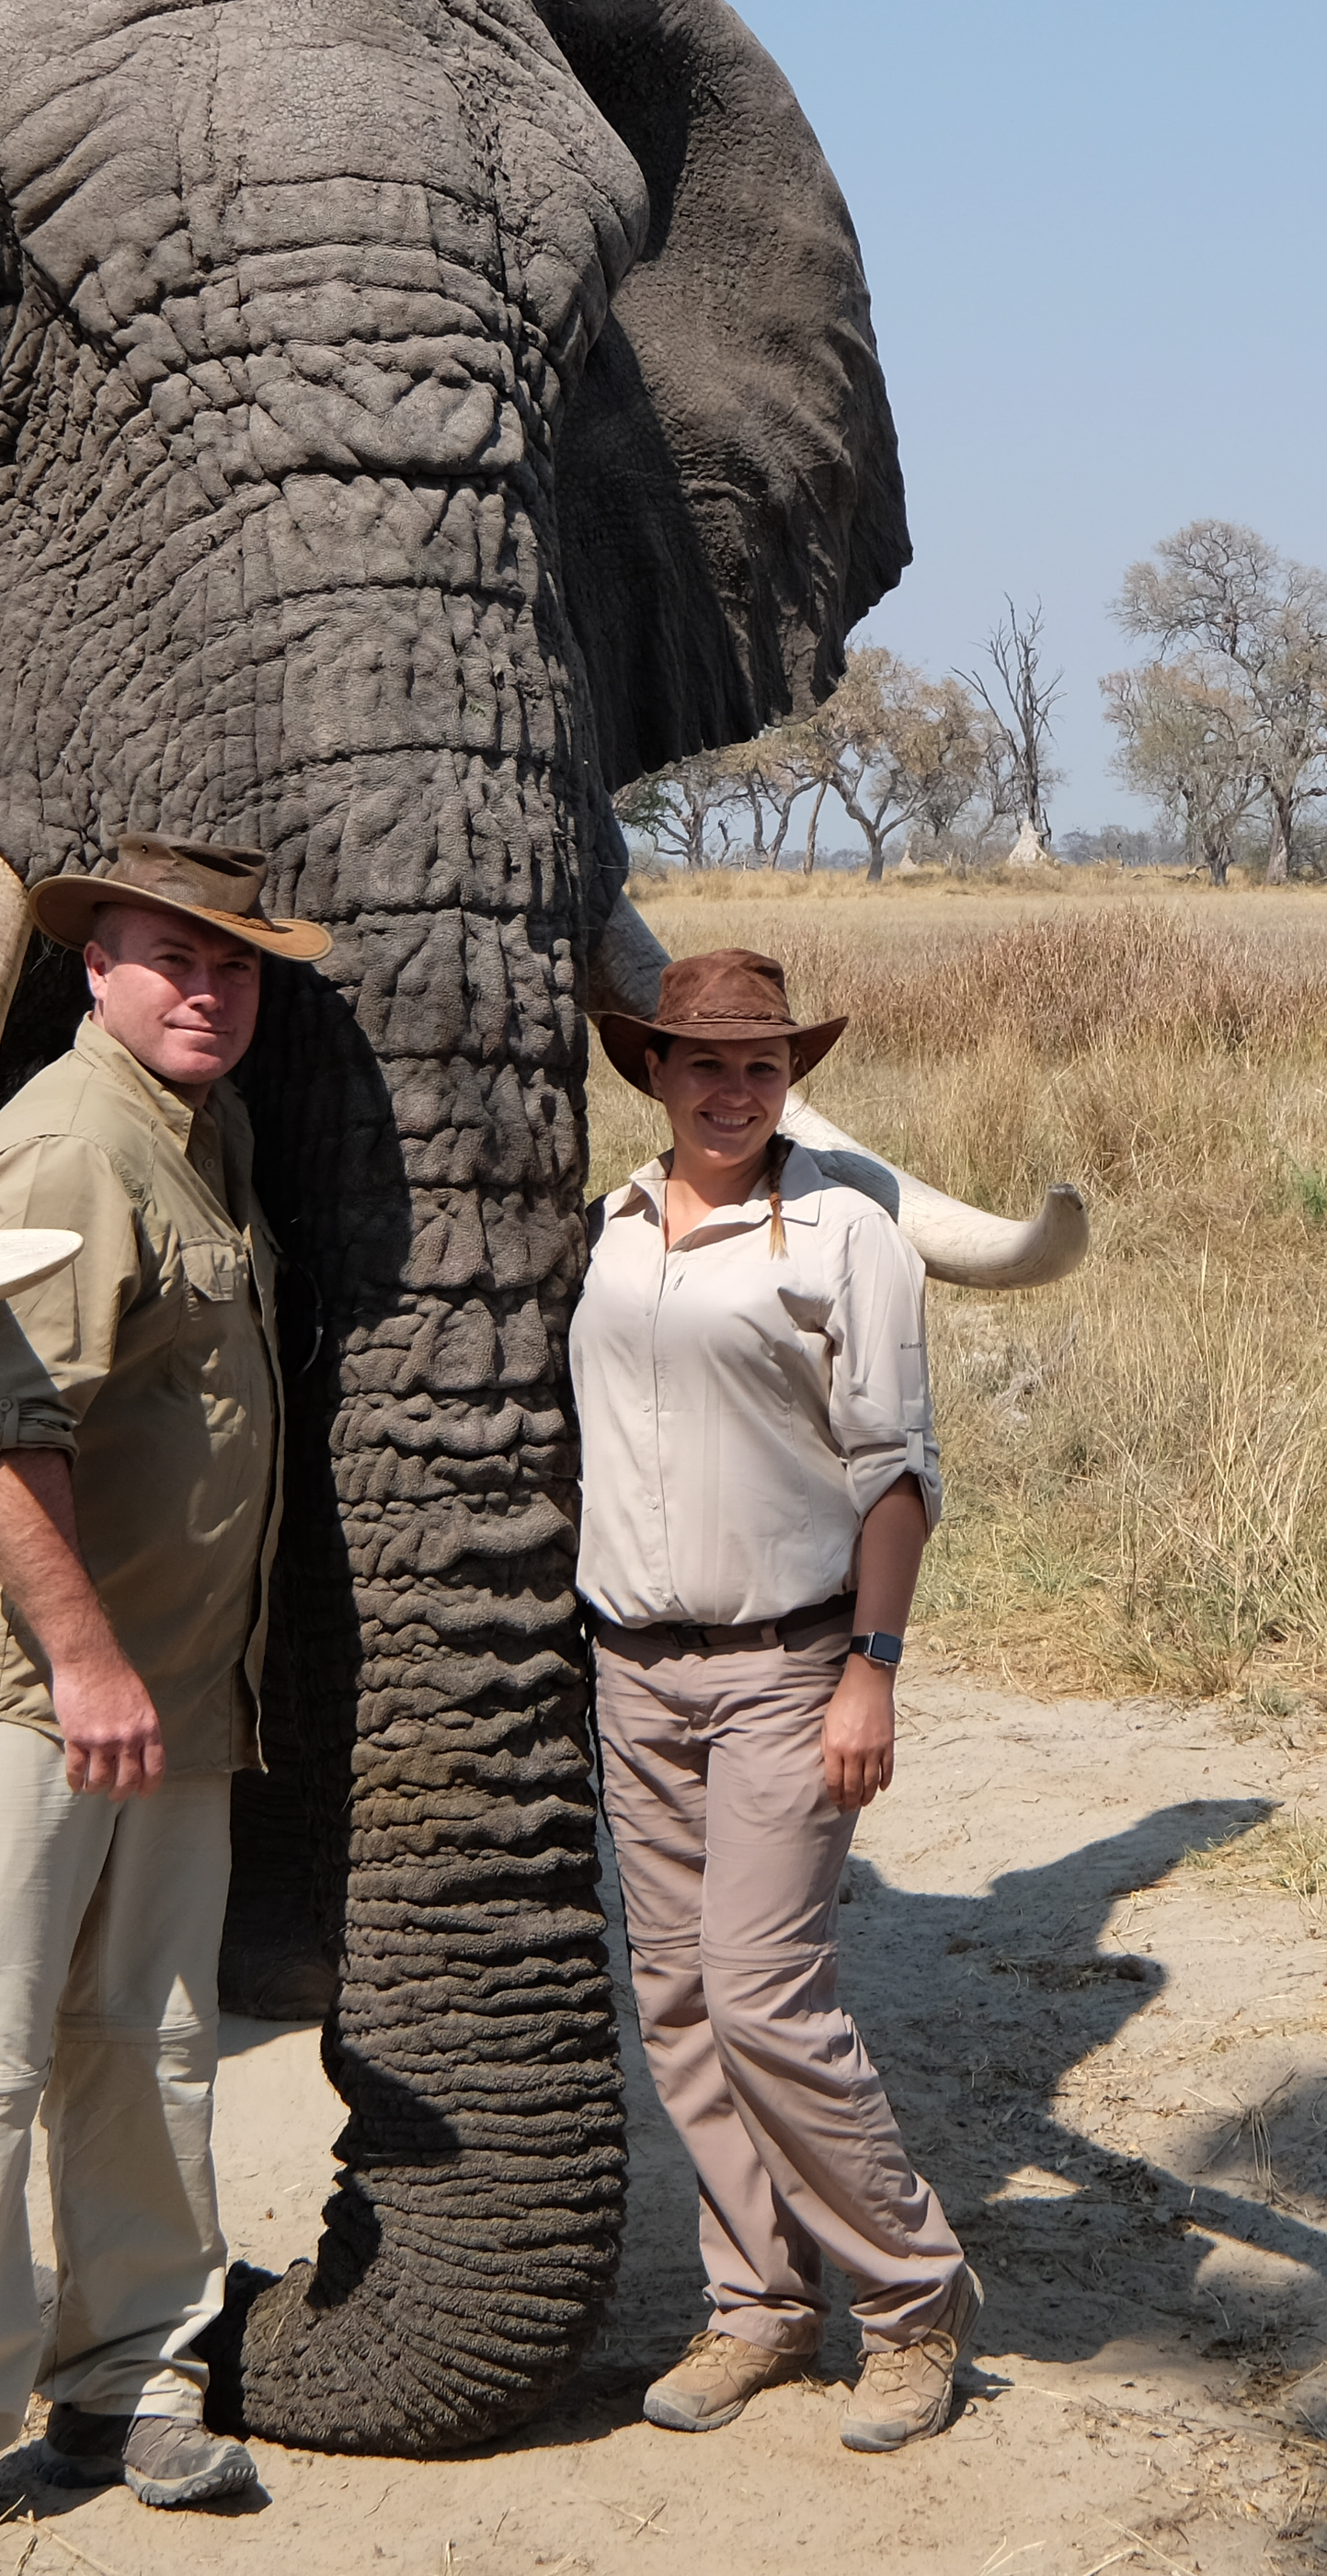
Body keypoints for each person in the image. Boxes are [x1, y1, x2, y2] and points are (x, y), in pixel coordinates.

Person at [0, 838, 329, 2576]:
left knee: (149, 2045)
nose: (209, 991)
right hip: (19, 1694)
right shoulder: (68, 1139)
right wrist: (85, 1660)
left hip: (165, 1698)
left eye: (237, 966)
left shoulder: (202, 1134)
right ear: (93, 968)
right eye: (170, 960)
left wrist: (148, 1680)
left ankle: (131, 2378)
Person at [576, 944, 982, 2452]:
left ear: (791, 1078)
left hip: (789, 1664)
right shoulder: (610, 1230)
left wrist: (873, 1671)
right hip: (633, 1666)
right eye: (706, 1063)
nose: (734, 1090)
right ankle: (755, 2305)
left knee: (763, 1992)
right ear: (655, 1070)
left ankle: (915, 2301)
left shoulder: (846, 1233)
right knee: (680, 2007)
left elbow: (896, 1470)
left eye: (762, 1065)